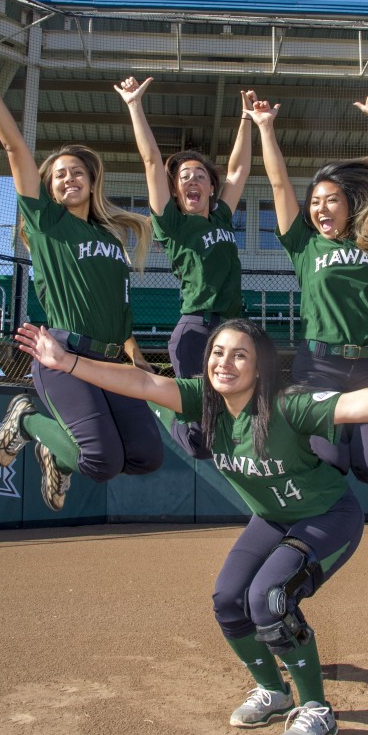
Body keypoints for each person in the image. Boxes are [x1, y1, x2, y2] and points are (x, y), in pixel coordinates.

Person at [15, 316, 368, 735]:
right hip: (271, 518)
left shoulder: (288, 404)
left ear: (259, 366)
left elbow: (358, 403)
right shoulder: (201, 401)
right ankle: (272, 690)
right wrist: (67, 362)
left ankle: (317, 711)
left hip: (327, 517)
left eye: (239, 355)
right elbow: (141, 381)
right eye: (217, 352)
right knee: (228, 600)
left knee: (269, 599)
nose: (224, 363)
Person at [0, 48, 163, 511]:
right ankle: (26, 419)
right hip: (64, 355)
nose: (69, 178)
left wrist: (136, 356)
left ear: (92, 181)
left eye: (77, 172)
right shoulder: (48, 224)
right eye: (59, 175)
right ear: (49, 188)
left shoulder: (110, 236)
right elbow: (14, 149)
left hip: (112, 362)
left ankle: (55, 450)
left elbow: (119, 307)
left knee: (147, 456)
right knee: (102, 462)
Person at [245, 90, 368, 481]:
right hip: (319, 366)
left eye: (331, 200)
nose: (320, 207)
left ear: (349, 204)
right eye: (314, 201)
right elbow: (279, 186)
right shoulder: (304, 244)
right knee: (326, 460)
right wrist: (265, 128)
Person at [114, 76, 252, 454]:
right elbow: (151, 161)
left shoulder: (221, 217)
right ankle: (163, 409)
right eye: (184, 177)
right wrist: (134, 105)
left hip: (232, 328)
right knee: (198, 441)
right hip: (196, 329)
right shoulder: (173, 224)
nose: (193, 180)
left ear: (211, 188)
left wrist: (246, 119)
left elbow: (239, 170)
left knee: (237, 417)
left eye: (200, 176)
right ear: (175, 190)